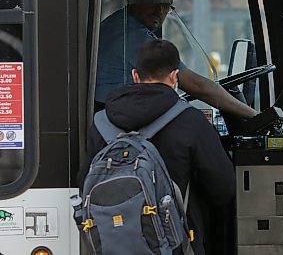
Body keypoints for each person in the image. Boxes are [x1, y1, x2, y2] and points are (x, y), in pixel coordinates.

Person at [86, 39, 236, 254]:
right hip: (177, 244)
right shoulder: (191, 121)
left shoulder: (101, 123)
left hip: (111, 245)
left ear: (135, 76)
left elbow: (85, 181)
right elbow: (223, 188)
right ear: (175, 77)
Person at [95, 0, 257, 119]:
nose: (159, 10)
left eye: (166, 5)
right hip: (113, 118)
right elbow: (197, 86)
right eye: (152, 0)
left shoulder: (118, 24)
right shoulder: (133, 35)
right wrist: (254, 115)